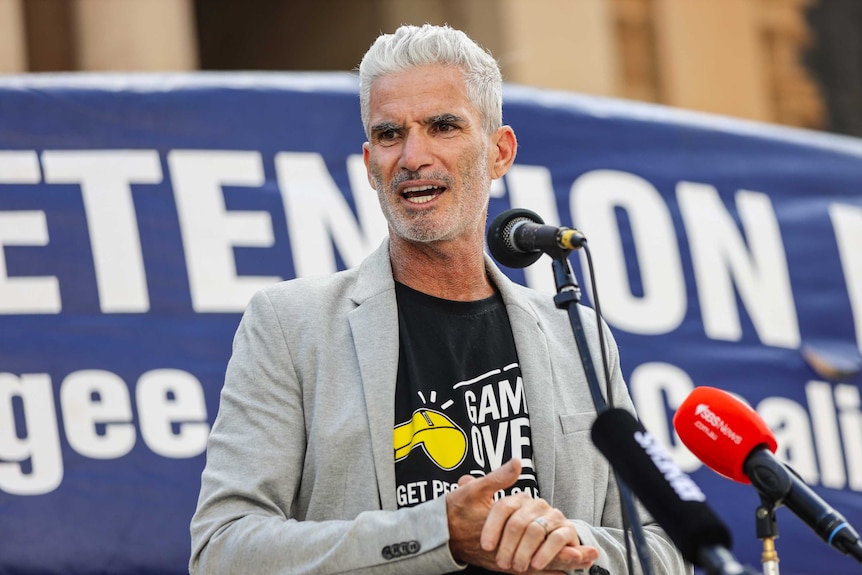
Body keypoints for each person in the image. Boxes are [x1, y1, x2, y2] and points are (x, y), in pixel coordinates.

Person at [190, 23, 690, 575]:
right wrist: (437, 535)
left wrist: (565, 544)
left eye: (443, 126)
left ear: (500, 152)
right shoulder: (289, 326)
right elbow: (222, 550)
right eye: (389, 135)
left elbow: (665, 547)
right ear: (369, 164)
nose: (412, 156)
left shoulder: (579, 336)